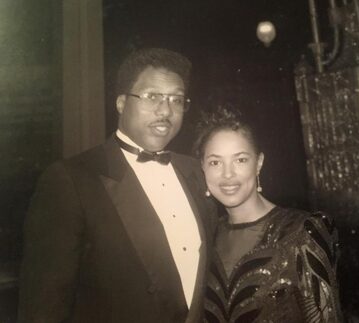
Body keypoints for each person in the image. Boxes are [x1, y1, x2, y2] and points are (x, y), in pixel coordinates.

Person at [18, 48, 217, 323]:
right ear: (121, 103)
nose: (166, 110)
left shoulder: (196, 171)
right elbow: (43, 306)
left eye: (177, 99)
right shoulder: (70, 179)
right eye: (152, 96)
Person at [194, 107, 342, 322]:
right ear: (203, 168)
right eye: (215, 162)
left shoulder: (302, 231)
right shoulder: (206, 236)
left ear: (259, 163)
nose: (227, 174)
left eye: (240, 160)